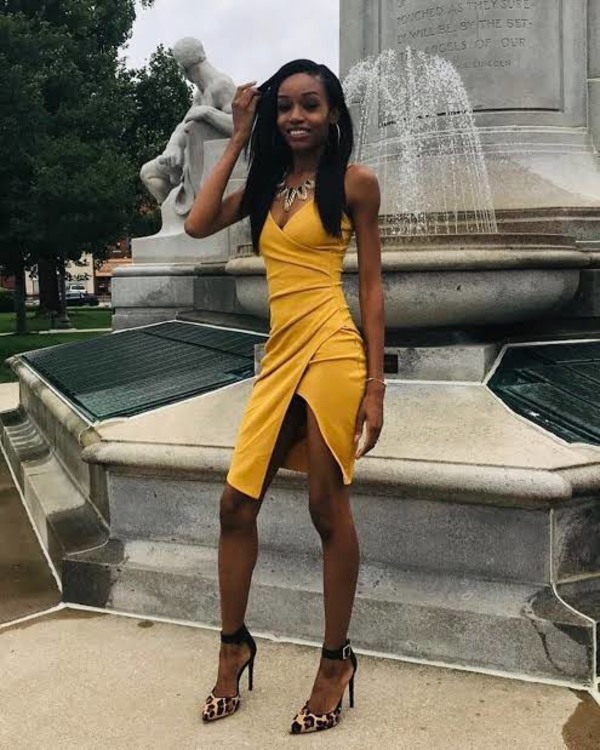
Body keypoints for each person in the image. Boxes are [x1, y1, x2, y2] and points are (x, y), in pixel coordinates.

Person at [184, 58, 384, 735]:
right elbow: (197, 223)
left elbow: (372, 287)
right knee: (235, 503)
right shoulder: (265, 186)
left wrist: (376, 386)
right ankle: (233, 646)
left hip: (332, 349)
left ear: (333, 115)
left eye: (310, 105)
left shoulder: (354, 183)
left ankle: (334, 662)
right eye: (285, 107)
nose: (296, 116)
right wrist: (239, 137)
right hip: (279, 355)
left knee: (327, 508)